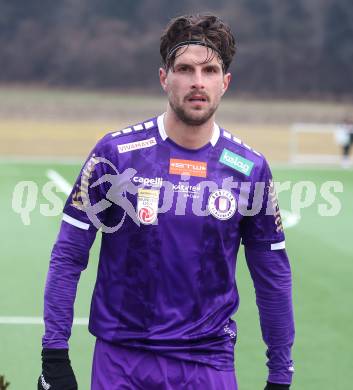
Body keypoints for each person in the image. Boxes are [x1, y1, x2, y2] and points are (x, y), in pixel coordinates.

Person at [38, 14, 295, 390]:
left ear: (225, 83)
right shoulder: (116, 154)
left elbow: (272, 276)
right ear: (164, 78)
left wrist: (280, 373)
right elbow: (68, 254)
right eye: (185, 69)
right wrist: (54, 355)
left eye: (209, 71)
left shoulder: (249, 169)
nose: (197, 81)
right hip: (122, 360)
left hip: (208, 362)